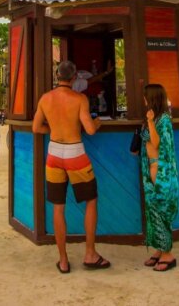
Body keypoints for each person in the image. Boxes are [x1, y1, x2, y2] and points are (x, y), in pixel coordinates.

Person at [32, 60, 110, 274]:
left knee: (58, 207)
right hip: (75, 154)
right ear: (74, 77)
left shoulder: (46, 99)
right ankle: (90, 254)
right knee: (91, 201)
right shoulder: (79, 99)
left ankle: (64, 260)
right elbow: (90, 130)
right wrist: (97, 123)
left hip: (54, 154)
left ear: (57, 76)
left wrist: (55, 129)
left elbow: (36, 127)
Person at [138, 84, 179, 272]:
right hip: (150, 168)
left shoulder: (163, 120)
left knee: (161, 209)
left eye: (146, 97)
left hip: (159, 169)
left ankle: (168, 254)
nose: (144, 100)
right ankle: (159, 249)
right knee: (153, 210)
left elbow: (157, 142)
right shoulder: (154, 119)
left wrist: (151, 122)